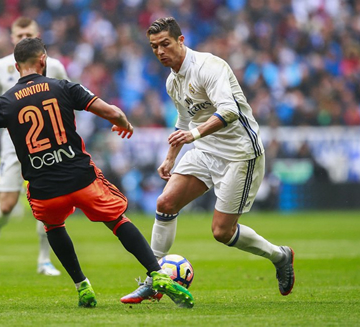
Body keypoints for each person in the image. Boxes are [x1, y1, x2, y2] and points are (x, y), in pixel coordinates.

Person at [0, 37, 195, 308]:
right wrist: (123, 123)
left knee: (53, 227)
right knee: (117, 220)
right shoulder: (63, 87)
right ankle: (156, 273)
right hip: (81, 178)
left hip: (44, 188)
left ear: (16, 66)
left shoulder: (5, 102)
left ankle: (83, 287)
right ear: (43, 60)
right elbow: (111, 112)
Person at [121, 17, 295, 304]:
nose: (160, 51)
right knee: (165, 203)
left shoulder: (208, 67)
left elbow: (228, 111)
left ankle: (280, 255)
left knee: (222, 232)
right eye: (154, 47)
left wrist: (194, 134)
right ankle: (155, 278)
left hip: (241, 153)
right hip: (206, 150)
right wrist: (170, 158)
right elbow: (184, 120)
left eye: (165, 44)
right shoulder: (172, 81)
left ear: (181, 40)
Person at [0, 17, 69, 276]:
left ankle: (44, 260)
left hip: (48, 143)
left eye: (29, 33)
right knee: (6, 204)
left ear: (38, 37)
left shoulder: (55, 67)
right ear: (12, 38)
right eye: (19, 34)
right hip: (13, 144)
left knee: (49, 201)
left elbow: (66, 100)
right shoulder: (0, 67)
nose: (23, 37)